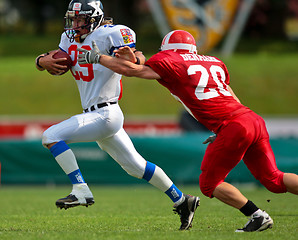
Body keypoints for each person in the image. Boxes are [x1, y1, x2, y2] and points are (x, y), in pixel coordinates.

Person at [78, 30, 298, 232]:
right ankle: (257, 216)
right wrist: (225, 127)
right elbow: (230, 95)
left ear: (168, 49)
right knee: (274, 179)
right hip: (251, 118)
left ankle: (257, 216)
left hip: (234, 125)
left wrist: (97, 58)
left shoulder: (170, 60)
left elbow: (133, 70)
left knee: (209, 184)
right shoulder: (215, 62)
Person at [35, 0, 200, 231]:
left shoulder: (111, 34)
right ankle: (183, 201)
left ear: (94, 18)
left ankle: (80, 190)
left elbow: (137, 58)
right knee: (136, 167)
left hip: (106, 113)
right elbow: (56, 57)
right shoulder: (69, 39)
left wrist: (133, 58)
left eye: (80, 19)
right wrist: (41, 61)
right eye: (73, 19)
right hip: (97, 115)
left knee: (50, 136)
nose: (75, 24)